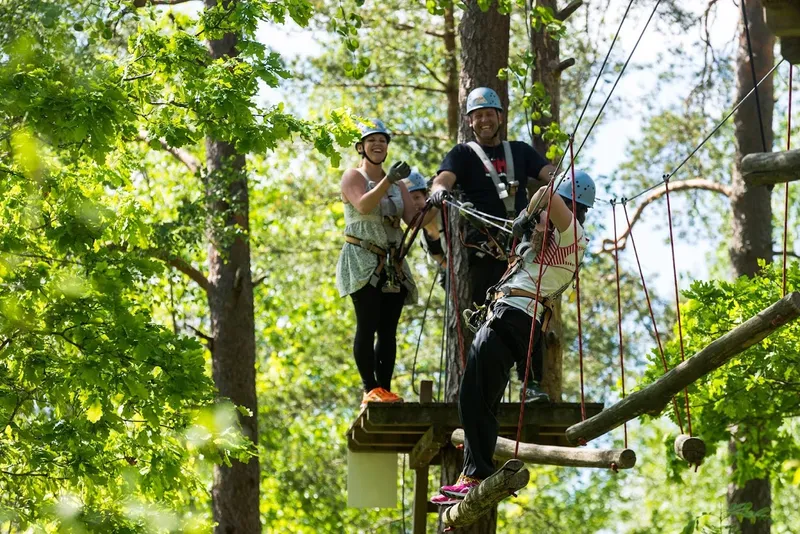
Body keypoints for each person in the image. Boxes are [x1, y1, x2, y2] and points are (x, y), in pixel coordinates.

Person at [430, 171, 596, 506]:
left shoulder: (572, 234)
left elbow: (547, 193)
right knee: (483, 398)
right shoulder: (545, 244)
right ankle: (471, 474)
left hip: (515, 316)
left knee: (471, 396)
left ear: (570, 206)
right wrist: (528, 226)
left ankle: (475, 472)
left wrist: (525, 215)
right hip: (516, 318)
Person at [427, 86, 559, 401]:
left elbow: (547, 172)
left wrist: (562, 177)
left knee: (529, 312)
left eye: (489, 114)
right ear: (470, 122)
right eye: (478, 116)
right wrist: (439, 191)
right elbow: (444, 178)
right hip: (483, 248)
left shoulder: (520, 151)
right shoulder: (462, 154)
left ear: (499, 117)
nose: (485, 121)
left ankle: (531, 383)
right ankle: (486, 387)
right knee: (485, 317)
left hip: (520, 247)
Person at [336, 119, 419, 409]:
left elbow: (413, 219)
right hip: (362, 261)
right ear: (361, 147)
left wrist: (435, 204)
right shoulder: (353, 176)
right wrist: (389, 180)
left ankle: (385, 388)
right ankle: (370, 388)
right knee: (367, 324)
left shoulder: (399, 186)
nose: (377, 145)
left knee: (388, 330)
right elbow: (363, 205)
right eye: (371, 140)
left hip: (392, 264)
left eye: (382, 140)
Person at [402, 171, 447, 273]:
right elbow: (445, 266)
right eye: (408, 200)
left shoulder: (447, 216)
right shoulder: (425, 241)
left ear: (426, 196)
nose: (414, 204)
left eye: (417, 197)